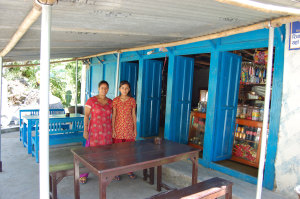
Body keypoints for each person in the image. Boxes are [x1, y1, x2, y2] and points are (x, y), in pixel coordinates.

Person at [79, 80, 113, 184]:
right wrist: (85, 130)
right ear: (98, 89)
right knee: (90, 153)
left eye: (106, 88)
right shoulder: (91, 101)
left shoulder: (111, 102)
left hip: (107, 132)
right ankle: (84, 174)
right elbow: (86, 116)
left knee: (106, 153)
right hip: (94, 132)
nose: (104, 90)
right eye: (102, 88)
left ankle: (105, 173)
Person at [112, 80, 137, 180]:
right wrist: (113, 129)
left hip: (128, 129)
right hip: (118, 129)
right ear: (119, 89)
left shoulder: (132, 100)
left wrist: (135, 129)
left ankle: (129, 170)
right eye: (123, 88)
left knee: (129, 151)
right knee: (117, 151)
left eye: (126, 88)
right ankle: (116, 171)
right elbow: (114, 115)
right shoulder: (115, 100)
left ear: (129, 89)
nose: (125, 90)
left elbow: (133, 115)